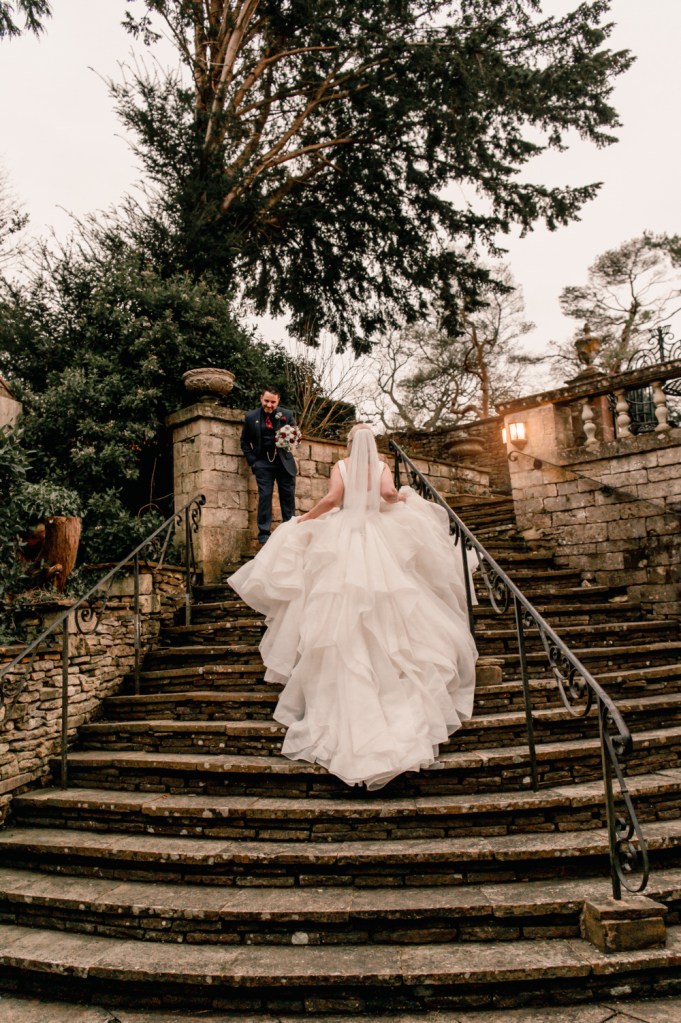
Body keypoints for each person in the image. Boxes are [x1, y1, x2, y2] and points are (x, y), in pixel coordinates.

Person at [228, 423, 477, 790]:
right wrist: (405, 499)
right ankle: (395, 685)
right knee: (392, 600)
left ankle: (342, 694)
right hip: (378, 535)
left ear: (348, 443)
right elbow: (389, 496)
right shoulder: (381, 467)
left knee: (336, 605)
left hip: (343, 535)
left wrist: (305, 519)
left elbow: (331, 501)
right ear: (372, 445)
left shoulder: (341, 466)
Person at [240, 387, 297, 544]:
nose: (269, 405)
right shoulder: (251, 417)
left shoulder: (287, 415)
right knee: (265, 496)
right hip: (263, 464)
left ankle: (290, 530)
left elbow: (294, 436)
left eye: (273, 402)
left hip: (284, 462)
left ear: (278, 401)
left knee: (288, 497)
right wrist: (254, 462)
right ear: (261, 398)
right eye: (267, 401)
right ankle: (264, 534)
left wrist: (291, 438)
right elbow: (244, 442)